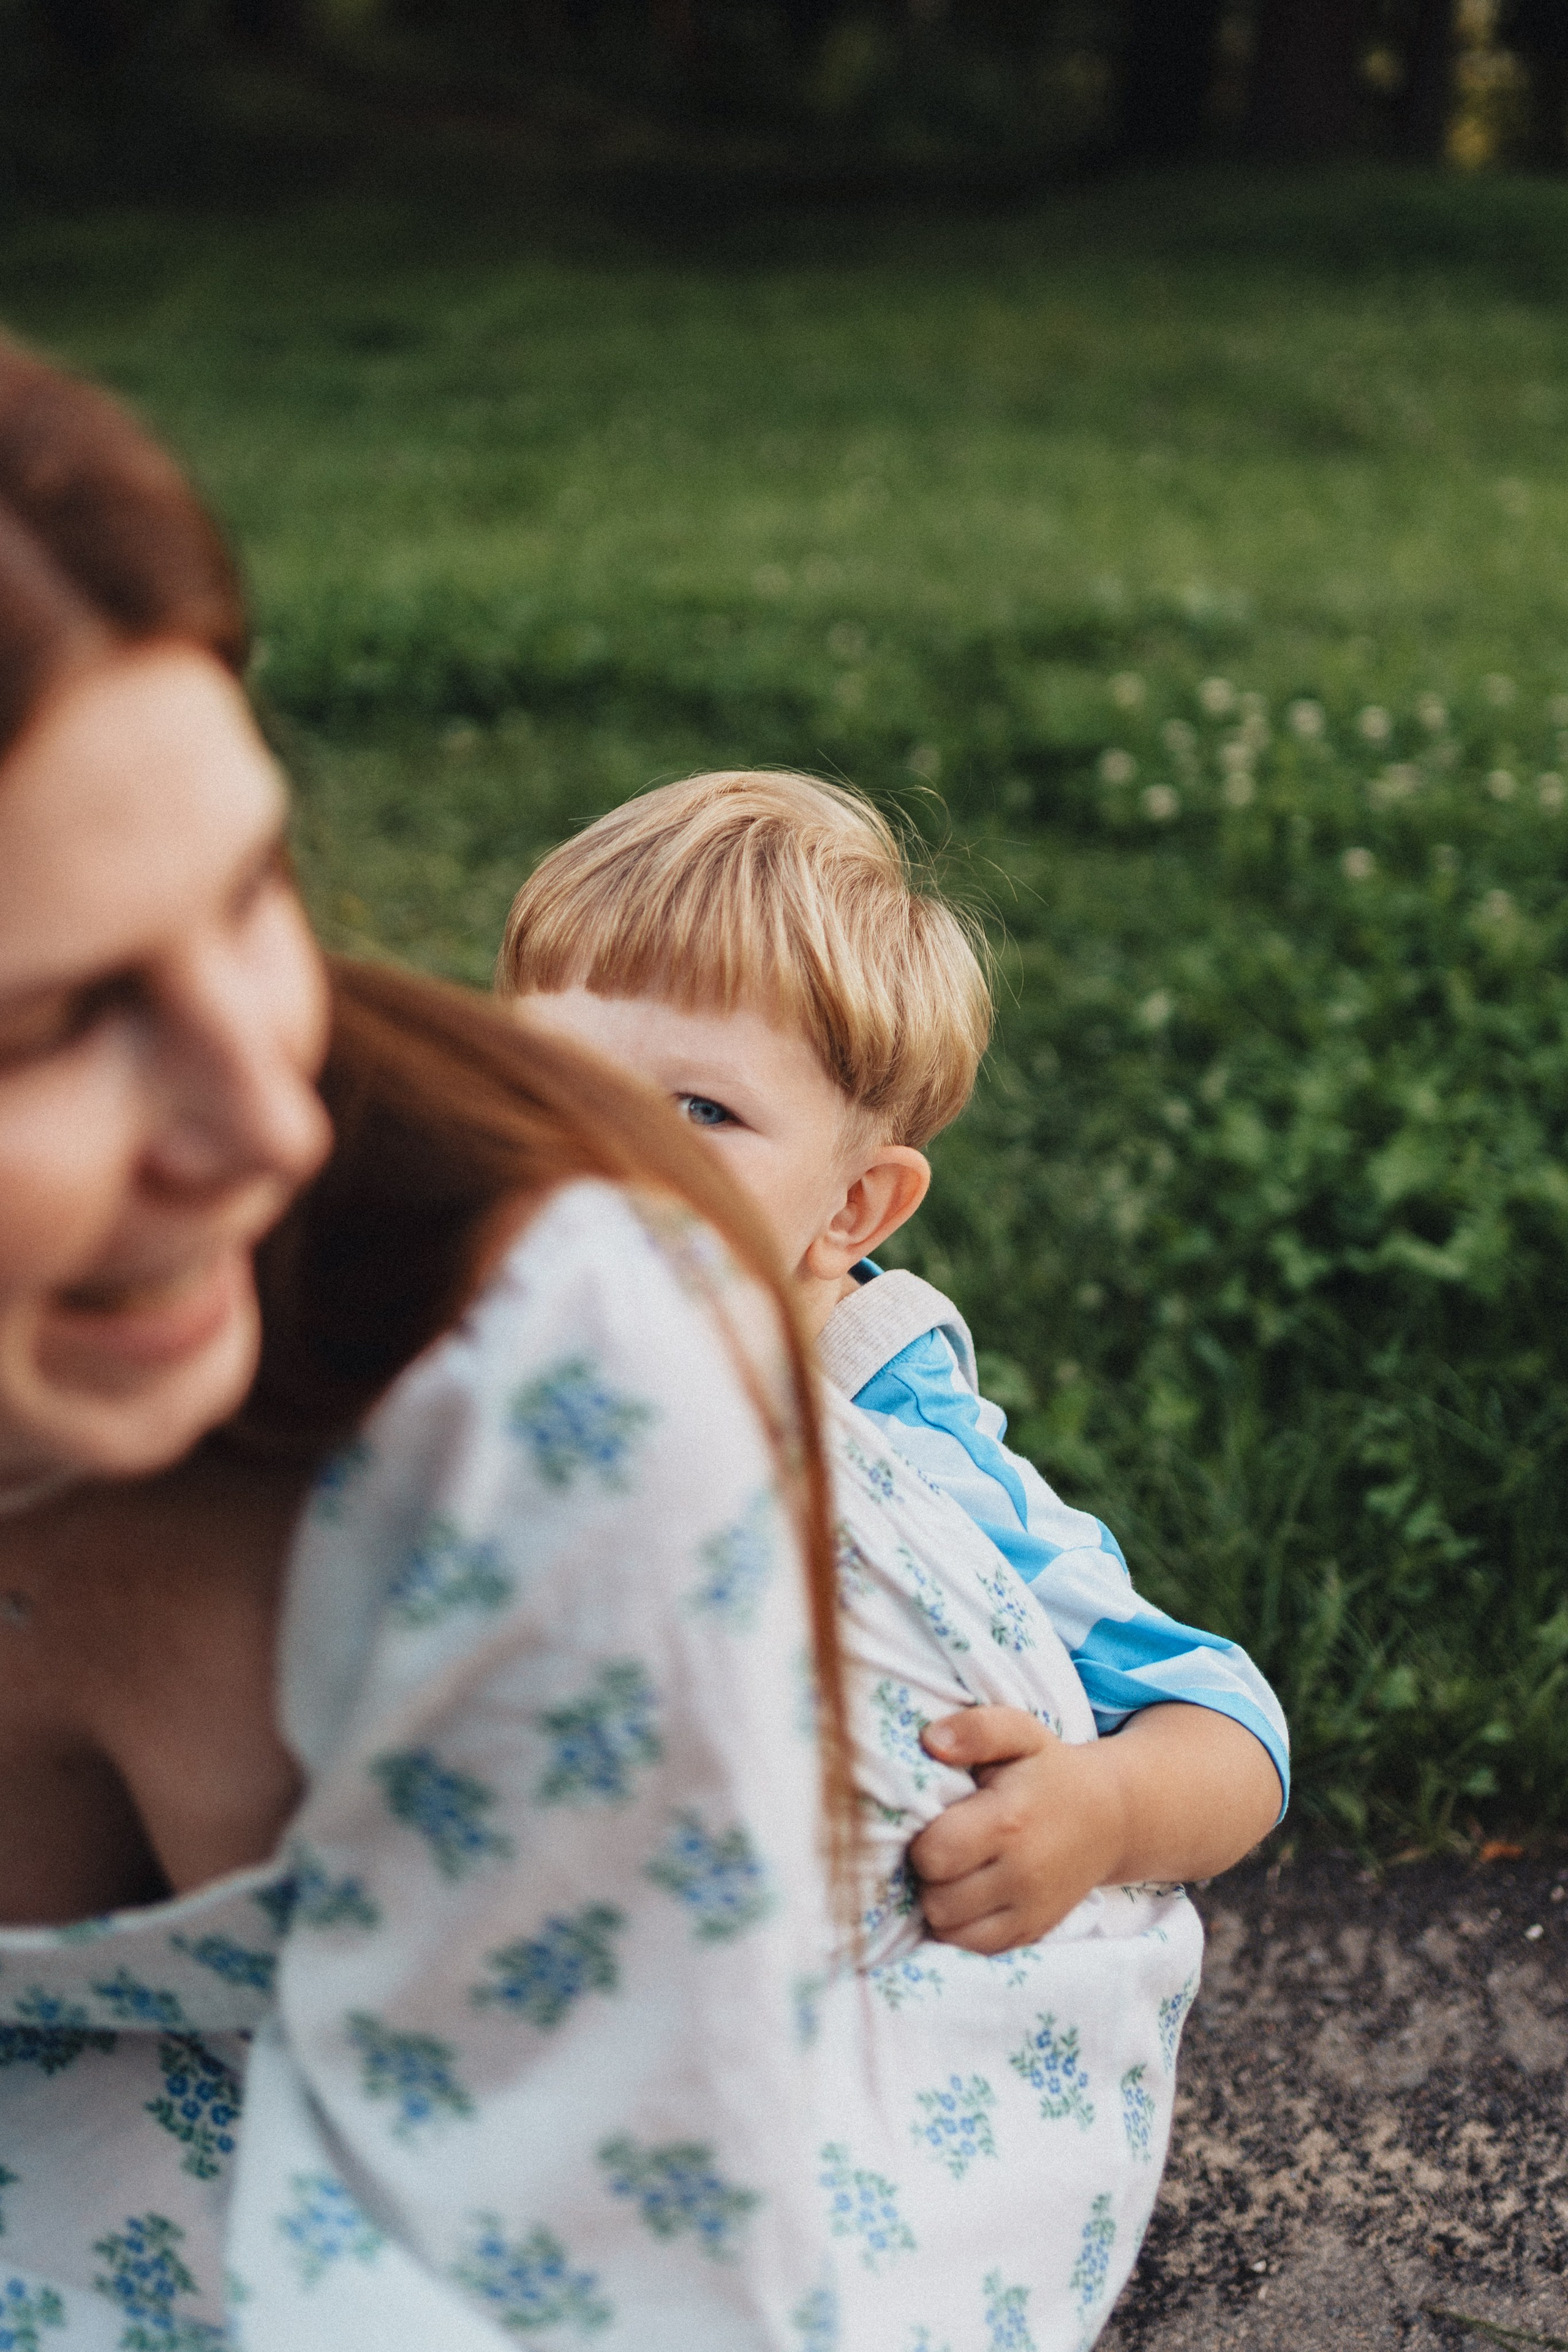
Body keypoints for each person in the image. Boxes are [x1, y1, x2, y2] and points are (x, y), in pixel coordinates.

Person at [0, 347, 848, 2349]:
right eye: (42, 1023)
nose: (265, 1127)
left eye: (249, 892)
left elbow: (609, 2279)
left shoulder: (541, 1376)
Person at [499, 770, 1289, 2347]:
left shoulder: (896, 1428)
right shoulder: (469, 1331)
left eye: (700, 1112)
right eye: (544, 1083)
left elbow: (1231, 1723)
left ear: (850, 1205)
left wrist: (1103, 1807)